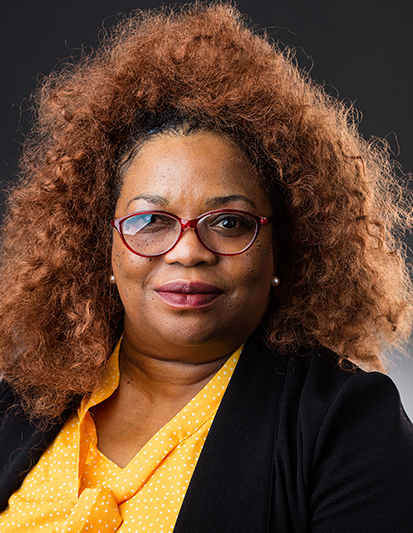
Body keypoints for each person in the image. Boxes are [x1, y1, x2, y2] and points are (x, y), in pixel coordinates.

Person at [0, 3, 412, 532]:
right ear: (101, 247)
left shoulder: (347, 425)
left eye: (229, 222)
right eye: (151, 220)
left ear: (281, 246)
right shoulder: (19, 408)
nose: (188, 251)